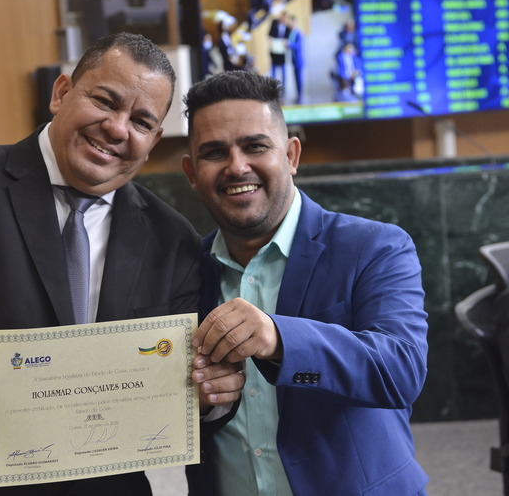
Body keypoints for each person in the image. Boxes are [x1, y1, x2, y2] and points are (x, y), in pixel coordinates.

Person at [0, 33, 244, 496]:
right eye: (105, 101)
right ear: (61, 93)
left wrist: (210, 395)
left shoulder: (173, 239)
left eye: (141, 121)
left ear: (153, 141)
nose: (117, 128)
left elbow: (186, 383)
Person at [180, 70, 429, 495]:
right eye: (215, 152)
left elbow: (401, 371)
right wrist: (199, 407)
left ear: (291, 155)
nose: (237, 166)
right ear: (191, 171)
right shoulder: (183, 268)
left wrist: (280, 339)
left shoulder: (374, 247)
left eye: (255, 146)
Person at [267, 12, 290, 84]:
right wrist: (271, 39)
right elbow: (269, 34)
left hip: (281, 52)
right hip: (274, 51)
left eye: (284, 18)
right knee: (273, 68)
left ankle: (284, 85)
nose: (283, 19)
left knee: (283, 69)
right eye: (282, 17)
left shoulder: (287, 28)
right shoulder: (274, 23)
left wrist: (286, 42)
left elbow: (287, 39)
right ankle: (273, 84)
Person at [286, 15, 304, 103]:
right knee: (296, 78)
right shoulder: (291, 32)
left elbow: (298, 46)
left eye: (293, 22)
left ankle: (300, 96)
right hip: (293, 59)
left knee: (299, 79)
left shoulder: (298, 33)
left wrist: (289, 44)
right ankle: (298, 95)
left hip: (298, 59)